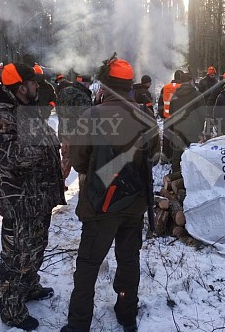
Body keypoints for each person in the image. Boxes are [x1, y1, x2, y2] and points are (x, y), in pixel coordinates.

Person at [61, 58, 160, 332]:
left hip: (99, 205)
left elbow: (79, 162)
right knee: (128, 260)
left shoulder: (91, 115)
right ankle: (127, 314)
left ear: (105, 84)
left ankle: (79, 324)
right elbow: (153, 154)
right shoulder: (145, 114)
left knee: (88, 266)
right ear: (129, 85)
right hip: (134, 203)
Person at [0, 63, 66, 331]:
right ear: (21, 86)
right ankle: (11, 310)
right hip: (20, 200)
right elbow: (7, 155)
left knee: (36, 246)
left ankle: (29, 287)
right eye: (34, 82)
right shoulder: (3, 114)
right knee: (16, 256)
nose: (38, 86)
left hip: (38, 195)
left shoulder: (24, 108)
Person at [55, 74, 93, 188]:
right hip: (79, 135)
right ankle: (84, 187)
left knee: (66, 160)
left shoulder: (64, 92)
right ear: (86, 83)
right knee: (83, 161)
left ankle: (58, 184)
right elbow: (88, 117)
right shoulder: (83, 97)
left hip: (65, 131)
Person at [169, 73, 206, 174]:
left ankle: (175, 176)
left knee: (177, 154)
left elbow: (171, 113)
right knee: (193, 154)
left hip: (178, 128)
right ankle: (193, 176)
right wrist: (200, 128)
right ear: (190, 82)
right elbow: (203, 114)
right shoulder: (197, 95)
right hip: (193, 129)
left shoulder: (174, 96)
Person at [157, 70, 183, 162]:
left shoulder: (165, 88)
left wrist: (162, 114)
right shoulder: (182, 88)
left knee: (167, 138)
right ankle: (177, 158)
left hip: (167, 117)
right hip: (179, 118)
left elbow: (160, 103)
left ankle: (165, 157)